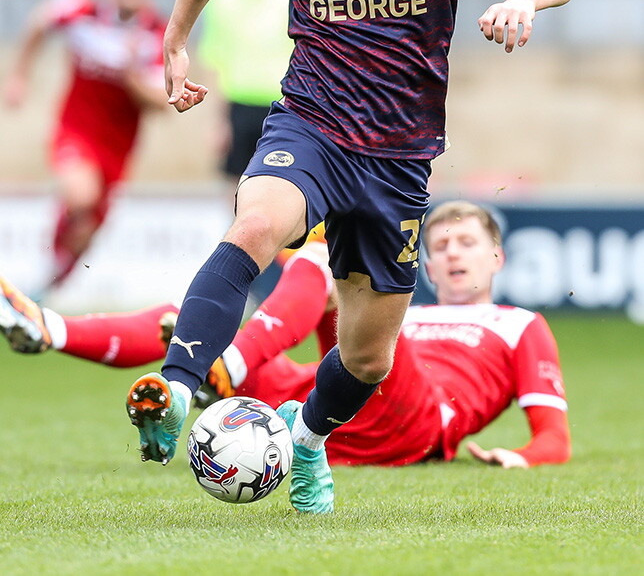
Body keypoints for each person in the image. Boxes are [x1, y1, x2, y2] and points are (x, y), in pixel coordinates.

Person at [124, 0, 587, 514]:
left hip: (398, 159)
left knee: (369, 358)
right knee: (254, 225)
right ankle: (177, 388)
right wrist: (176, 40)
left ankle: (308, 441)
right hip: (308, 126)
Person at [0, 202, 571, 469]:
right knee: (193, 322)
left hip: (415, 423)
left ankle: (231, 367)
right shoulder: (406, 314)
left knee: (329, 263)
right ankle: (48, 328)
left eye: (467, 243)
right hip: (321, 412)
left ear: (497, 257)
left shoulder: (520, 323)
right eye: (440, 245)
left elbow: (554, 438)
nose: (452, 254)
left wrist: (519, 458)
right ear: (425, 263)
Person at [2, 0, 168, 296]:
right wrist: (20, 75)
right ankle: (53, 247)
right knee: (81, 196)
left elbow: (160, 103)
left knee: (90, 225)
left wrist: (130, 74)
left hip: (118, 148)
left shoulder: (157, 34)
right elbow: (39, 22)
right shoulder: (82, 10)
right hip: (75, 130)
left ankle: (45, 288)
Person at [196, 0, 293, 185]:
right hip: (237, 102)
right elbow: (213, 58)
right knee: (237, 180)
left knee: (284, 180)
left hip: (286, 103)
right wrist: (217, 122)